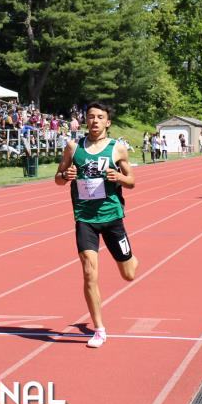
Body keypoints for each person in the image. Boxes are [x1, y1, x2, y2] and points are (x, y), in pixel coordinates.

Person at [54, 102, 137, 349]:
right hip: (85, 219)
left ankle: (131, 258)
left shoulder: (117, 148)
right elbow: (58, 178)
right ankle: (99, 329)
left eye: (100, 117)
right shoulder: (73, 147)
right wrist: (65, 176)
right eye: (91, 117)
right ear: (85, 121)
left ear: (107, 122)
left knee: (128, 274)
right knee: (89, 272)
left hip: (112, 218)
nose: (95, 121)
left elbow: (132, 181)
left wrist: (119, 177)